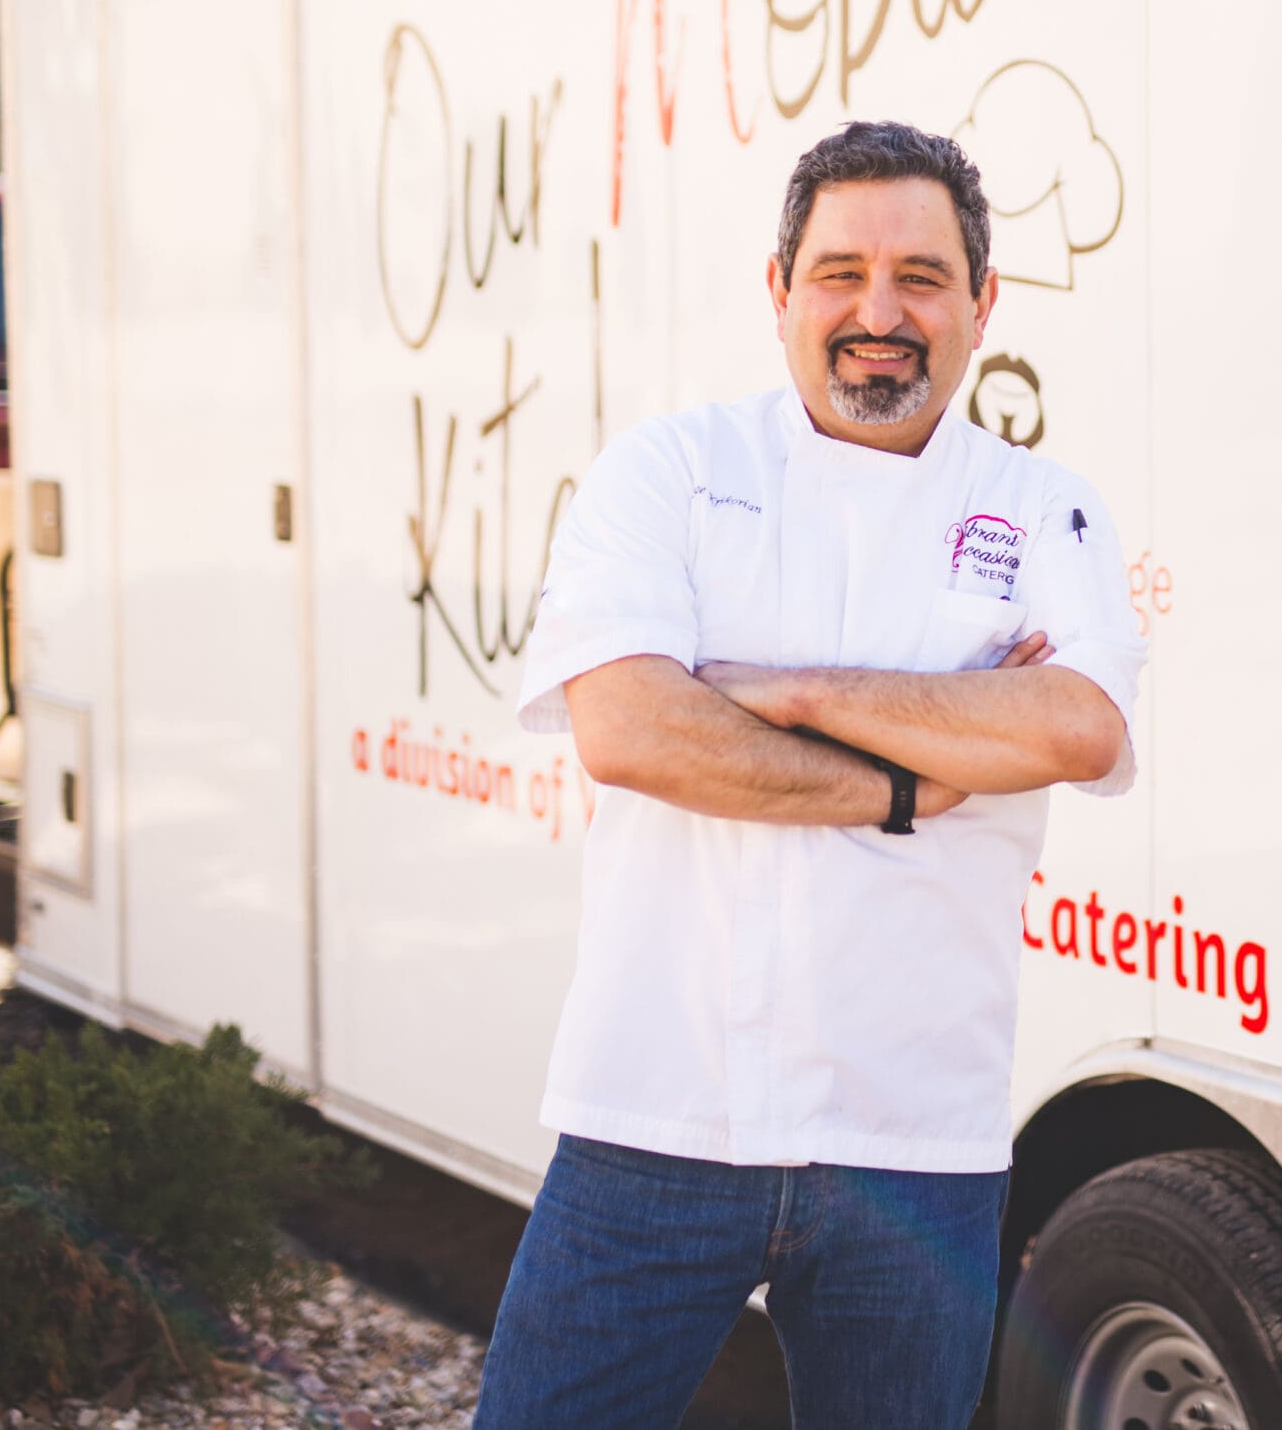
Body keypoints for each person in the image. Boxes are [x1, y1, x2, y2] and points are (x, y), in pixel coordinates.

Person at [470, 120, 1146, 1428]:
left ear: (982, 304)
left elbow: (1076, 728)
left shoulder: (1048, 506)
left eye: (922, 277)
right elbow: (630, 728)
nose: (879, 312)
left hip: (913, 1141)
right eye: (840, 272)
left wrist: (783, 688)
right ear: (778, 289)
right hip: (654, 1113)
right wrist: (907, 777)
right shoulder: (665, 472)